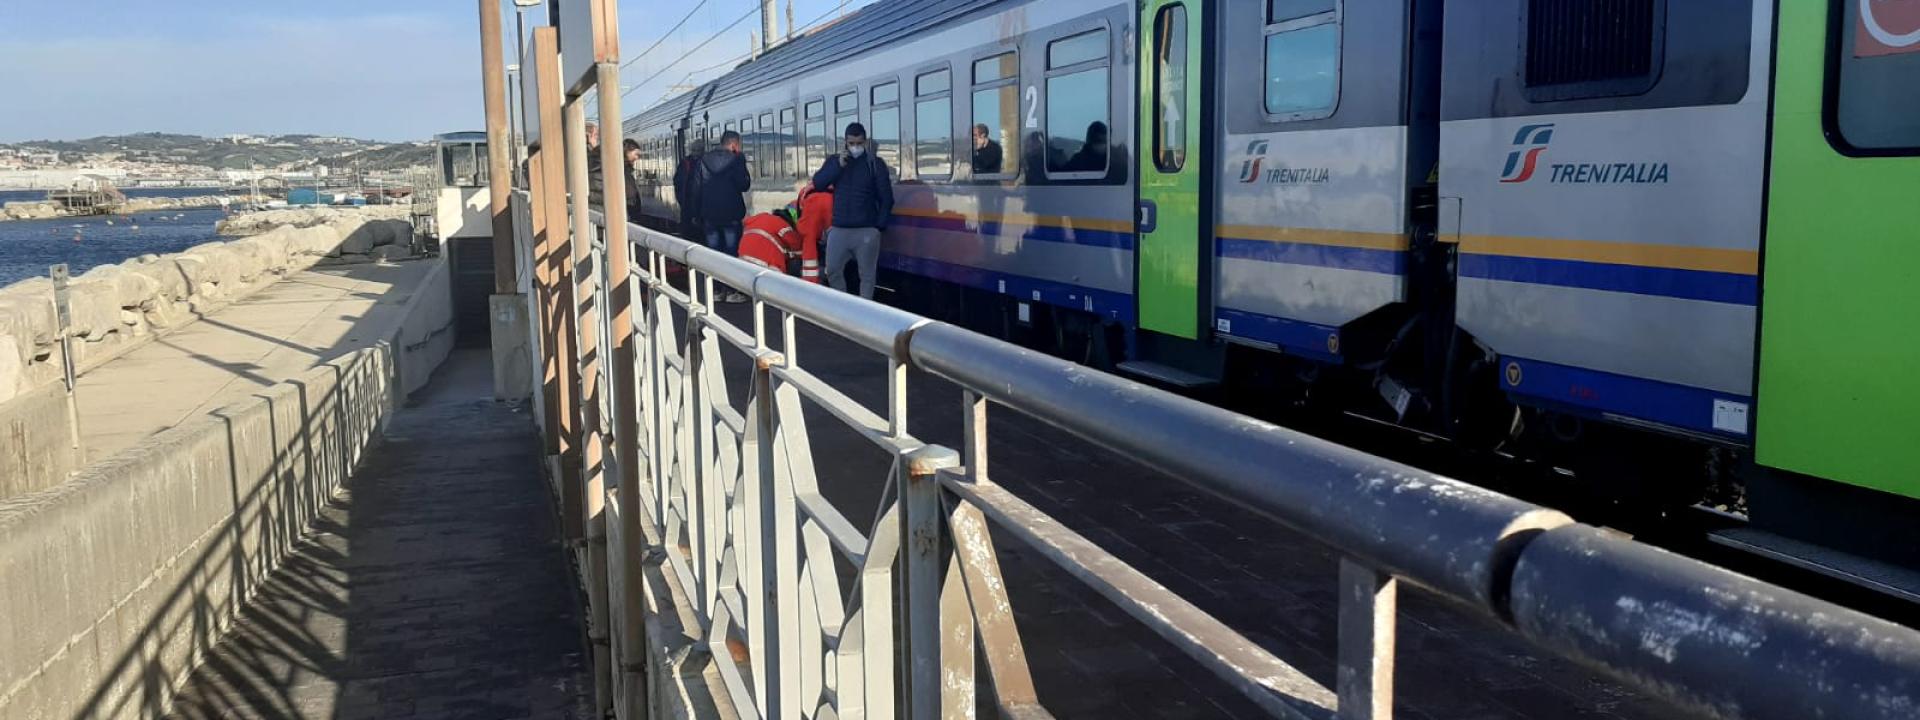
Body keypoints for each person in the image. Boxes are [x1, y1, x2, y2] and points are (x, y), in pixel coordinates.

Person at [811, 122, 894, 299]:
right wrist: (838, 166)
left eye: (859, 143)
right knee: (832, 270)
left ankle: (865, 315)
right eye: (852, 143)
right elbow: (818, 184)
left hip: (866, 231)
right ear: (845, 143)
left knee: (867, 277)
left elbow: (886, 198)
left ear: (865, 142)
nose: (855, 147)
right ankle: (844, 308)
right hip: (840, 229)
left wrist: (878, 227)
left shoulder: (875, 164)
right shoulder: (835, 161)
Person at [697, 130, 752, 302]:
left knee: (714, 254)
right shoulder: (736, 159)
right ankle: (731, 291)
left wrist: (697, 213)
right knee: (731, 253)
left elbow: (696, 188)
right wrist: (741, 162)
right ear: (734, 145)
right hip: (731, 215)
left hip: (709, 216)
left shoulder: (704, 160)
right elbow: (744, 185)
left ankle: (716, 291)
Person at [738, 205, 805, 278]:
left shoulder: (758, 220)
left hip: (744, 263)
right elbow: (798, 246)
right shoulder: (782, 225)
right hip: (769, 267)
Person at [794, 185, 834, 284]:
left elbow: (801, 218)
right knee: (833, 241)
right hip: (833, 201)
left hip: (811, 205)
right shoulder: (832, 182)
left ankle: (810, 283)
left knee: (809, 242)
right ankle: (831, 275)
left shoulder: (804, 191)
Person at [672, 141, 704, 238]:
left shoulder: (705, 162)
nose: (696, 153)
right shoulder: (685, 163)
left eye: (698, 150)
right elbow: (678, 182)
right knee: (689, 231)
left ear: (702, 151)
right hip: (688, 203)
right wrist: (681, 198)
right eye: (694, 150)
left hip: (700, 204)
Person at [622, 138, 644, 224]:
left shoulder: (626, 169)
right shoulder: (623, 169)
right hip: (628, 211)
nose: (637, 158)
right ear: (627, 152)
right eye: (636, 154)